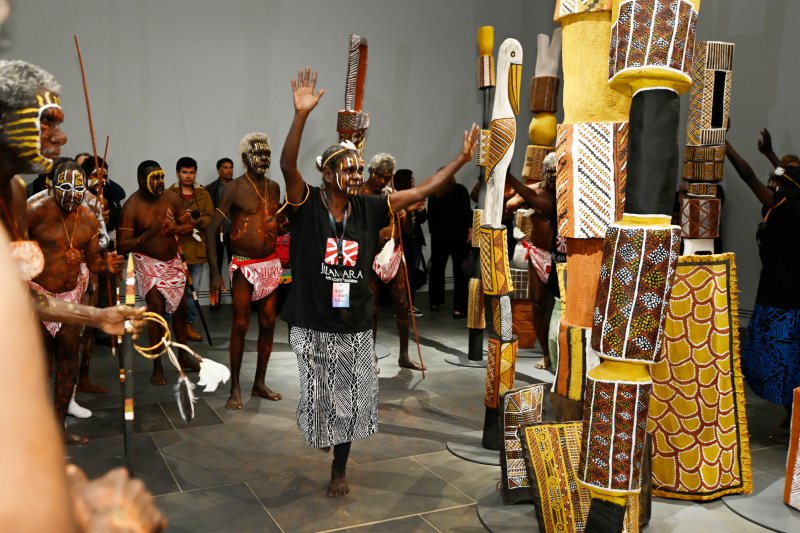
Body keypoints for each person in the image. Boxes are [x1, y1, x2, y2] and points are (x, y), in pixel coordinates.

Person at [279, 66, 478, 497]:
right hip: (311, 318)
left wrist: (460, 160)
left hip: (352, 318)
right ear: (328, 174)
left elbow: (422, 190)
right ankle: (323, 431)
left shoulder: (369, 207)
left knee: (348, 398)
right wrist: (300, 116)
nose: (355, 175)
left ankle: (340, 466)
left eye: (358, 169)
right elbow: (287, 164)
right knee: (319, 396)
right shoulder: (306, 203)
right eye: (347, 169)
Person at [0, 59, 162, 532]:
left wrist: (96, 315)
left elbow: (19, 295)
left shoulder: (11, 193)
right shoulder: (28, 205)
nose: (60, 137)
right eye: (46, 121)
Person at [27, 161, 125, 445]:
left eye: (78, 188)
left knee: (69, 359)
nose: (72, 195)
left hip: (71, 297)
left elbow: (93, 262)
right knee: (40, 363)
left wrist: (105, 264)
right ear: (51, 185)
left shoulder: (89, 219)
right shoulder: (33, 211)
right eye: (65, 187)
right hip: (37, 294)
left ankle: (58, 428)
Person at [726, 139, 800, 443]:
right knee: (788, 364)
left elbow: (748, 176)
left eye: (778, 177)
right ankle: (792, 417)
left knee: (779, 365)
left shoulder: (783, 207)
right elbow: (786, 174)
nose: (773, 180)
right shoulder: (791, 203)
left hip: (782, 303)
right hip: (784, 300)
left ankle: (795, 424)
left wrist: (726, 144)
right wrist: (770, 154)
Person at [207, 133, 283, 409]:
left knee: (269, 323)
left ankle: (260, 382)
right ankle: (235, 387)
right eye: (257, 154)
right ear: (245, 158)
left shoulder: (274, 187)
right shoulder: (234, 189)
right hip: (243, 265)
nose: (263, 158)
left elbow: (277, 222)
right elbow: (211, 229)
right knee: (240, 324)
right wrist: (216, 273)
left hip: (270, 264)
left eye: (266, 154)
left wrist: (279, 226)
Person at [118, 160, 199, 385]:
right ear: (141, 180)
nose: (160, 182)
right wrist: (150, 233)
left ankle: (183, 356)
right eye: (154, 178)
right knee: (156, 312)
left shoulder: (172, 198)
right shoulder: (131, 206)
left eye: (161, 177)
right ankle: (157, 366)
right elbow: (123, 246)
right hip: (148, 265)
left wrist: (175, 229)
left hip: (173, 263)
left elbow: (189, 226)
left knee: (182, 309)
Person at [362, 153, 424, 371]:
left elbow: (408, 231)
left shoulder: (392, 195)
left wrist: (407, 214)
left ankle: (404, 355)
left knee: (402, 305)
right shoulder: (360, 194)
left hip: (393, 254)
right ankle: (369, 356)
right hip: (369, 257)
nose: (383, 181)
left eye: (388, 177)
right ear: (371, 172)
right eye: (380, 176)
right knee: (373, 308)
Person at [505, 153, 557, 370]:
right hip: (539, 255)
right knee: (537, 304)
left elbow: (546, 207)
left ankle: (558, 353)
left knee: (561, 306)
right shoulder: (535, 191)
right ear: (544, 172)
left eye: (557, 171)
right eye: (550, 171)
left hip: (563, 256)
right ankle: (546, 354)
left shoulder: (567, 191)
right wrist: (519, 204)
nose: (554, 176)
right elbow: (511, 204)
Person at [168, 156, 213, 341]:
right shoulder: (169, 194)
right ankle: (172, 328)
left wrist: (197, 220)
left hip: (195, 249)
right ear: (178, 173)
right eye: (184, 172)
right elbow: (164, 218)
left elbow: (210, 218)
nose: (188, 176)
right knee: (173, 291)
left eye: (191, 172)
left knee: (191, 292)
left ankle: (188, 327)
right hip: (174, 250)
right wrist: (180, 221)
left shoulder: (203, 194)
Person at [427, 169, 472, 318]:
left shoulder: (434, 192)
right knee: (460, 273)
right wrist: (470, 229)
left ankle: (435, 302)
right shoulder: (460, 190)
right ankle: (458, 308)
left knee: (437, 270)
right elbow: (467, 212)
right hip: (458, 236)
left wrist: (434, 233)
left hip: (439, 237)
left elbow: (431, 217)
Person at [205, 157, 235, 309]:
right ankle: (214, 300)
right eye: (225, 167)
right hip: (216, 233)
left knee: (235, 267)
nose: (229, 170)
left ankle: (238, 299)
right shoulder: (210, 189)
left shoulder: (239, 187)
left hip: (235, 233)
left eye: (231, 167)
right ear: (219, 170)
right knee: (214, 265)